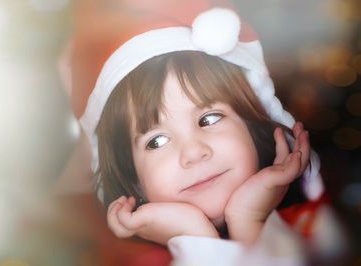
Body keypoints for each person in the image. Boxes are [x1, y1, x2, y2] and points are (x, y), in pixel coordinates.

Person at [75, 0, 333, 264]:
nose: (194, 152)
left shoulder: (316, 230)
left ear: (255, 130)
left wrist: (247, 219)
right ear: (134, 181)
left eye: (209, 119)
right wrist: (195, 236)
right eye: (157, 141)